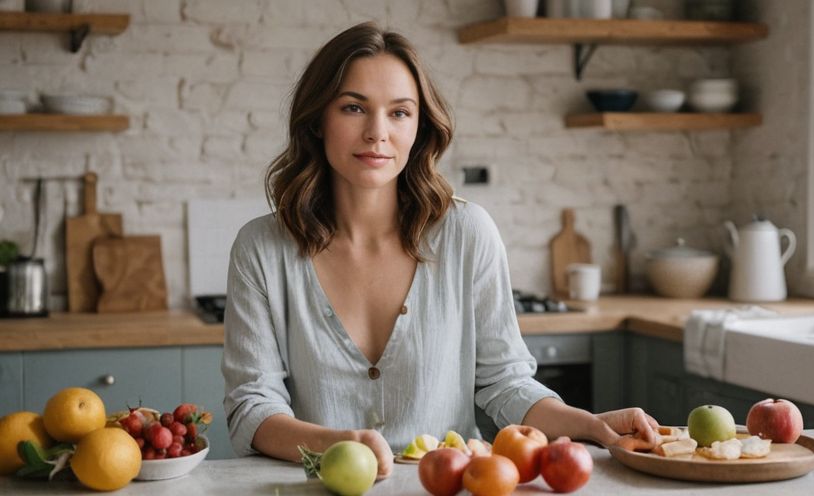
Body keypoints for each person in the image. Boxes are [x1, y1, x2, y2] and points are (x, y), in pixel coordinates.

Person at [221, 22, 658, 479]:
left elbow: (504, 382)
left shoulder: (468, 233)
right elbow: (251, 408)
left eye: (399, 113)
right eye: (354, 108)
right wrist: (345, 445)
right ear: (317, 120)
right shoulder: (261, 249)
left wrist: (590, 425)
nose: (377, 133)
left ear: (419, 126)